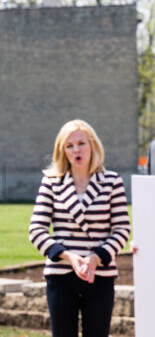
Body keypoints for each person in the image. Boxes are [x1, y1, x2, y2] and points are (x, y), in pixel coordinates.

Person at [28, 120, 131, 337]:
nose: (76, 150)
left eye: (81, 143)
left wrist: (96, 257)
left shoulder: (112, 181)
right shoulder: (51, 182)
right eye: (69, 145)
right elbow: (36, 230)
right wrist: (69, 257)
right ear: (62, 151)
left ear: (92, 145)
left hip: (100, 274)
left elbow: (122, 229)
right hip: (61, 273)